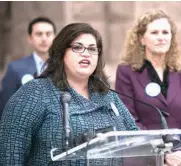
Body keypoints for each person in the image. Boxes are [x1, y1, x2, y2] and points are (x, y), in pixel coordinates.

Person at [0, 23, 141, 166]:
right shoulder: (35, 92)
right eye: (77, 47)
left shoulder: (108, 96)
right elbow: (10, 151)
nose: (86, 53)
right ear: (61, 53)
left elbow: (136, 139)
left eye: (92, 49)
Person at [115, 10, 181, 166]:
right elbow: (129, 121)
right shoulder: (126, 72)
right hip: (143, 158)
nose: (161, 37)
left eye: (165, 32)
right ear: (141, 39)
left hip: (180, 159)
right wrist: (164, 153)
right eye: (154, 32)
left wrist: (178, 153)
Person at [0, 16, 56, 116]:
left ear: (54, 38)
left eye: (48, 34)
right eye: (39, 34)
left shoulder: (63, 67)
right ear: (30, 38)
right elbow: (5, 106)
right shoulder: (15, 68)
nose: (44, 38)